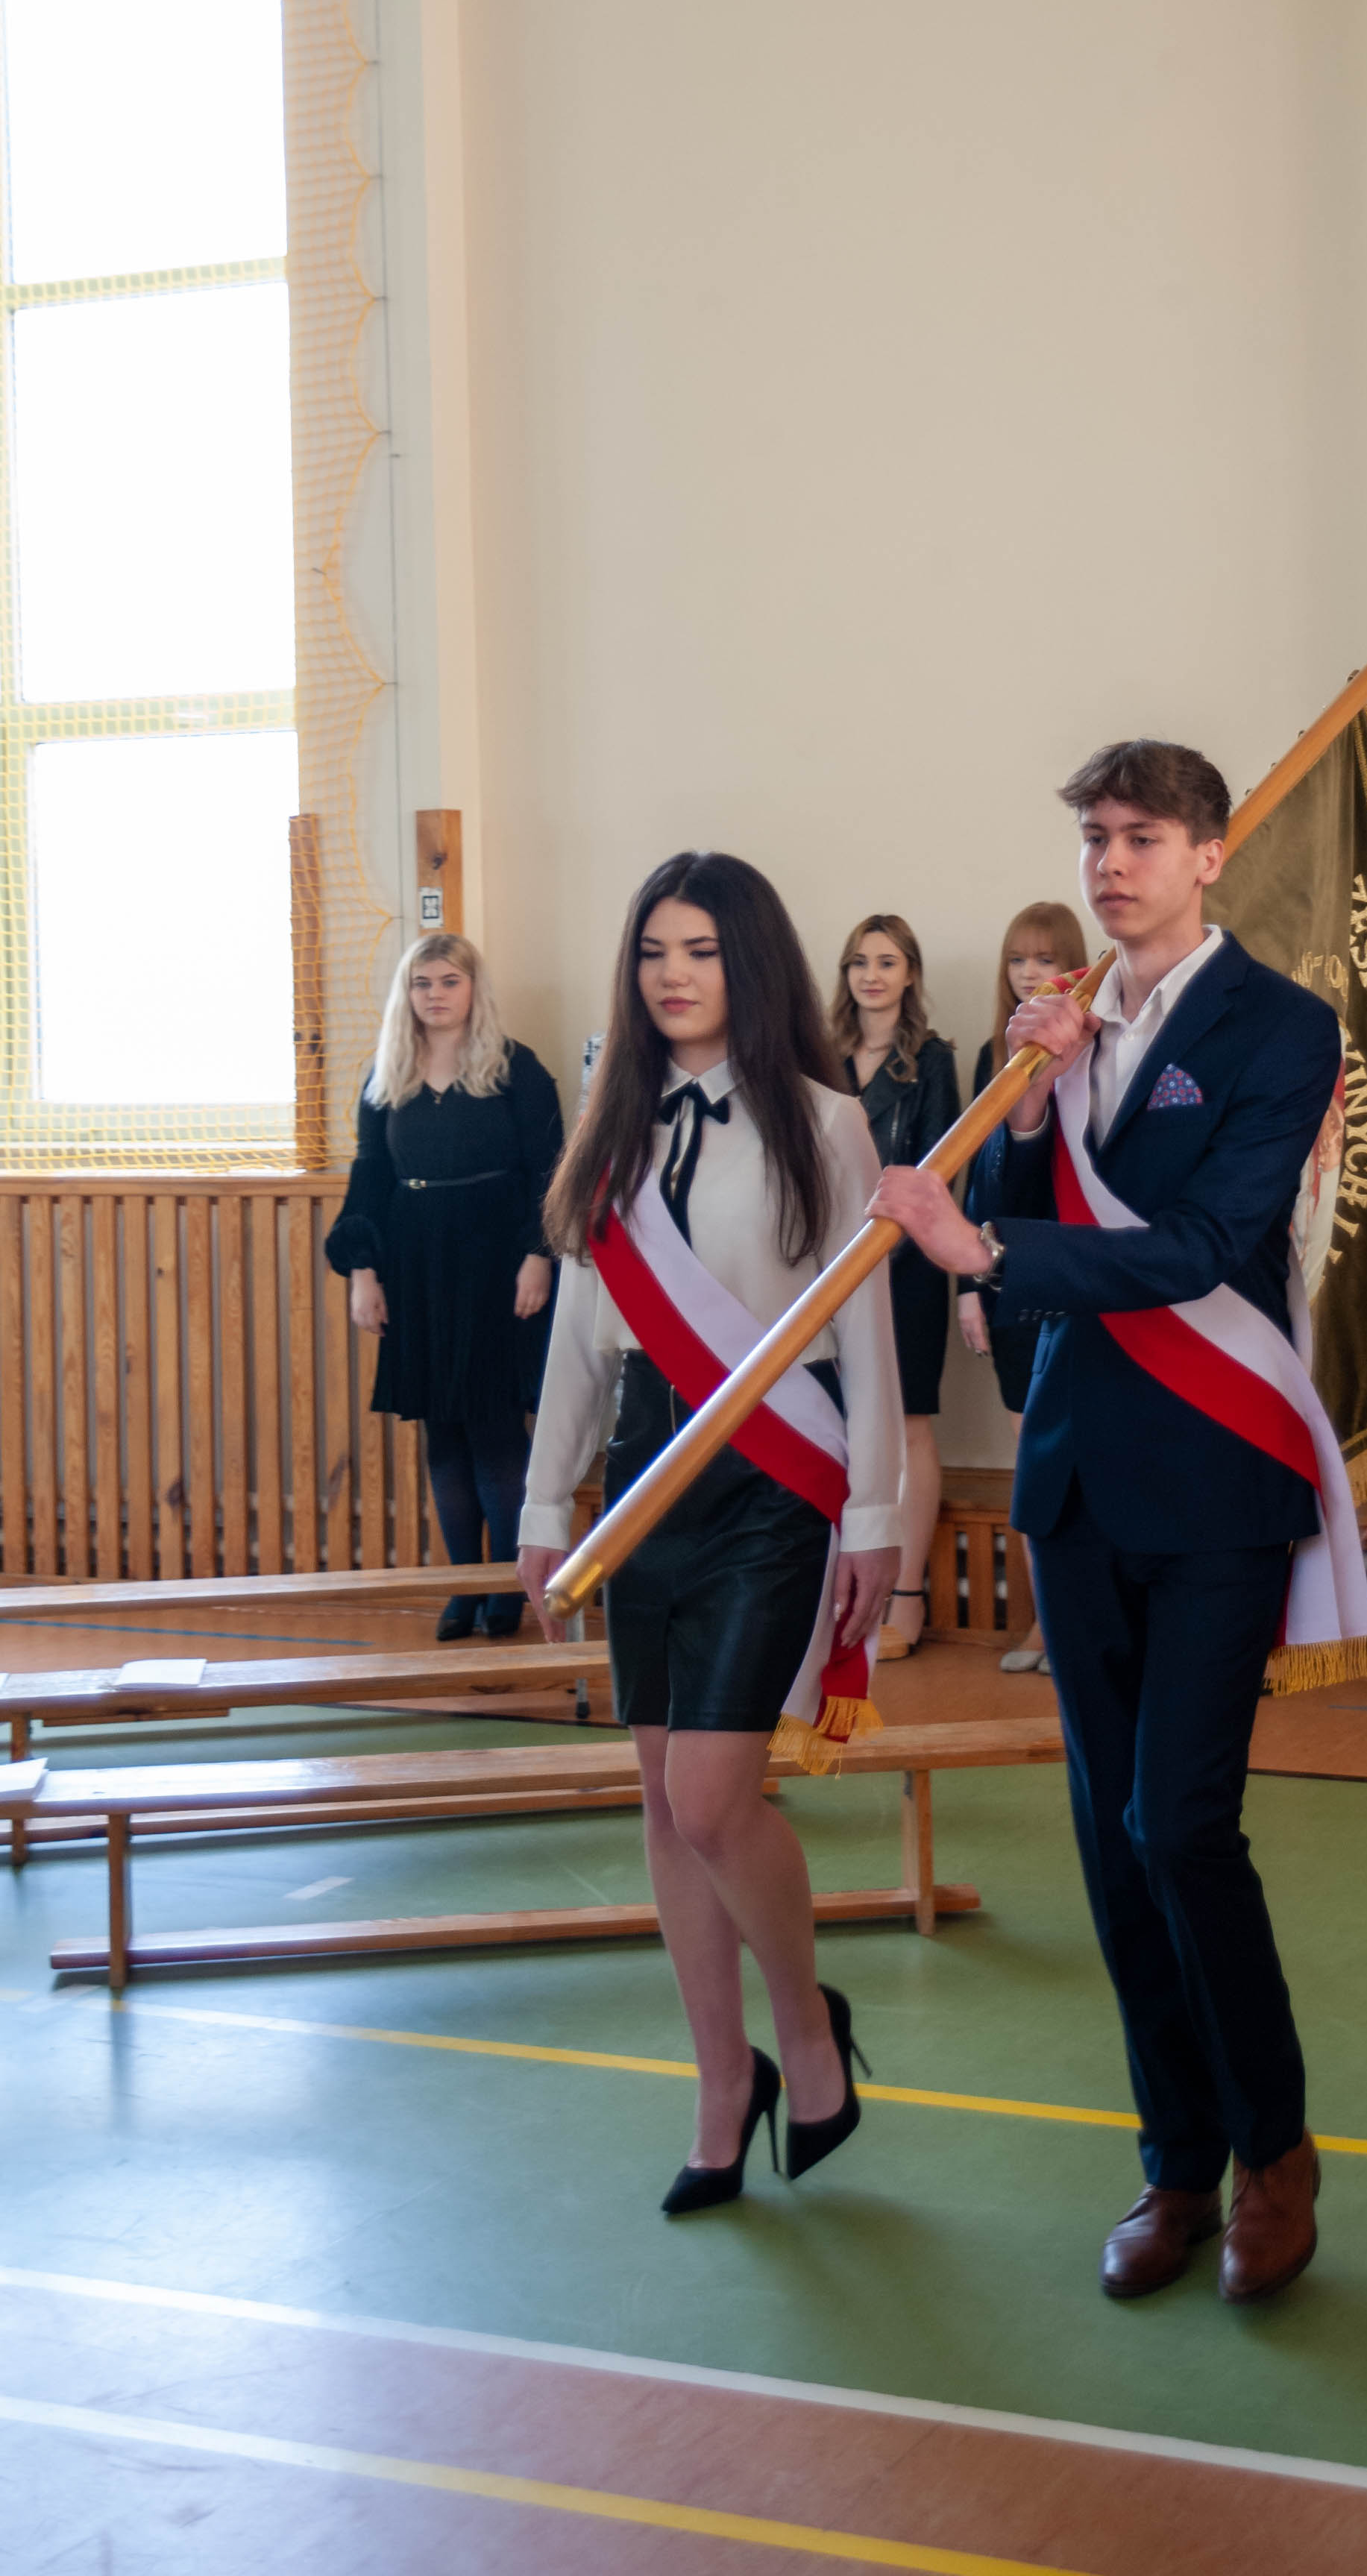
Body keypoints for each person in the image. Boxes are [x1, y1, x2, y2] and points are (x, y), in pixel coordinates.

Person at [877, 742, 1342, 2308]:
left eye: (1143, 837)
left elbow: (1207, 1243)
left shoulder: (1281, 1026)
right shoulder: (1059, 1021)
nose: (1112, 863)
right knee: (1107, 1836)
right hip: (1077, 1473)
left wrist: (984, 1248)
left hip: (1217, 1470)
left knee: (1181, 1823)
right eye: (1095, 837)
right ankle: (1176, 2160)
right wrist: (1027, 1109)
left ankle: (1275, 2150)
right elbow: (1035, 1192)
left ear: (1211, 856)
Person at [518, 853, 903, 2212]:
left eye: (699, 950)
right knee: (663, 1802)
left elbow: (867, 1334)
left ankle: (805, 2022)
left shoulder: (827, 1123)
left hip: (771, 1480)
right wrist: (544, 1504)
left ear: (750, 961)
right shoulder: (611, 1127)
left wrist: (877, 1518)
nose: (671, 975)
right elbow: (582, 1338)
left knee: (711, 1796)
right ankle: (721, 2083)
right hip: (645, 1478)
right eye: (651, 952)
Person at [326, 933, 562, 1642]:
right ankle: (465, 1585)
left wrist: (538, 1255)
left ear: (472, 989)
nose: (435, 994)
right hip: (416, 1263)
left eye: (449, 981)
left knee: (495, 1429)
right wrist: (363, 1272)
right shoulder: (386, 1073)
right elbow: (370, 1175)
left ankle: (507, 1587)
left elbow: (550, 1169)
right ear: (408, 993)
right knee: (444, 1434)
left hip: (497, 1261)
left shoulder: (517, 1068)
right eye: (423, 982)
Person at [958, 903, 1089, 1674]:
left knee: (1080, 1465)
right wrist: (969, 1287)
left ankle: (1074, 1625)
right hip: (1005, 1278)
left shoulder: (1098, 1044)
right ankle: (1044, 1623)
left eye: (1044, 959)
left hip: (1074, 1275)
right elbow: (979, 1181)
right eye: (1017, 960)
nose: (1029, 973)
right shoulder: (993, 1053)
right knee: (1033, 1467)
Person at [831, 916, 961, 1657]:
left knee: (908, 1423)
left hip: (903, 1269)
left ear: (910, 972)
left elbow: (940, 1172)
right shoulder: (816, 1055)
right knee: (838, 1422)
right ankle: (841, 1593)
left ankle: (905, 1594)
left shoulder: (932, 1060)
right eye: (859, 961)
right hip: (823, 1270)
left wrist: (884, 1250)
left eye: (886, 961)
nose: (871, 975)